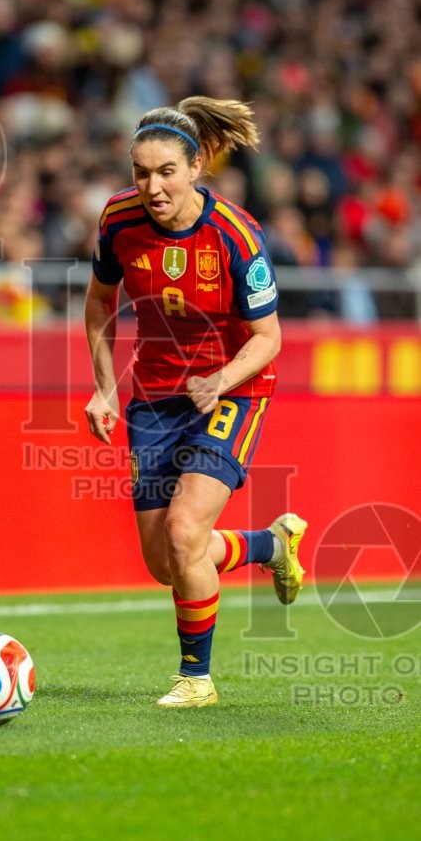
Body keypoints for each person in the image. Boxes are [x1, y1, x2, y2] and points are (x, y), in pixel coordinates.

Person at [84, 96, 307, 708]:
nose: (151, 186)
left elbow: (269, 339)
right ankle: (268, 546)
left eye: (165, 172)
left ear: (196, 168)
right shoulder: (118, 221)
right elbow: (100, 303)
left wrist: (221, 380)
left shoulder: (236, 236)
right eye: (140, 171)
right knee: (166, 562)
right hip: (154, 396)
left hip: (231, 388)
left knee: (186, 533)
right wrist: (105, 388)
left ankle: (196, 678)